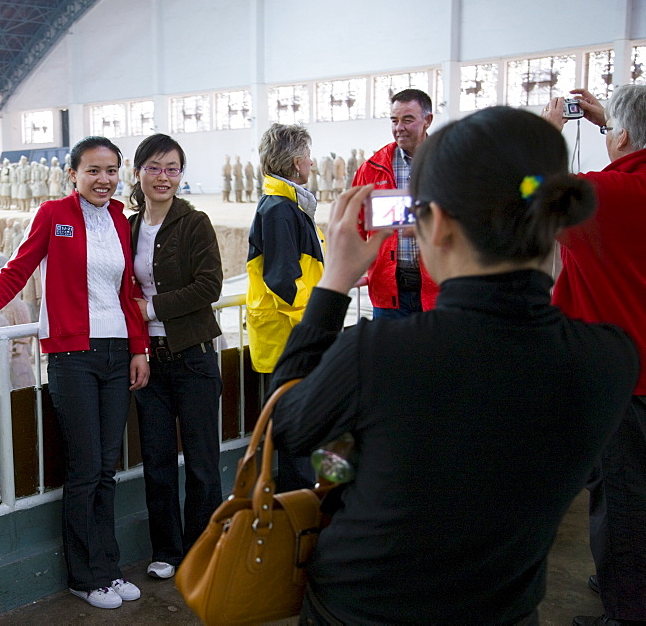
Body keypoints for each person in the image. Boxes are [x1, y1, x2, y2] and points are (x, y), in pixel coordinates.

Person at [270, 106, 639, 624]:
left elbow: (285, 426)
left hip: (364, 609)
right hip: (505, 611)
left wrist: (332, 286)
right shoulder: (609, 358)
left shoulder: (381, 352)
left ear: (436, 223)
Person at [0, 136, 149, 611]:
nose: (104, 179)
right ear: (73, 173)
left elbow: (128, 290)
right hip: (73, 355)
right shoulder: (54, 215)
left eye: (112, 170)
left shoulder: (119, 219)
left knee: (107, 469)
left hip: (118, 353)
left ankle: (108, 569)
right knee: (85, 467)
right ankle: (84, 575)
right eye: (93, 170)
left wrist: (139, 349)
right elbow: (16, 271)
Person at [541, 85, 646, 626]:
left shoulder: (605, 196)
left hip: (623, 382)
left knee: (622, 504)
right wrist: (618, 126)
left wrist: (546, 135)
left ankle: (625, 613)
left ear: (621, 135)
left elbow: (530, 193)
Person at [127, 134, 223, 580]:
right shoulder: (126, 226)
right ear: (139, 172)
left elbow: (209, 287)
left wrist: (151, 309)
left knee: (202, 462)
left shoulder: (194, 222)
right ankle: (167, 550)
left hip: (194, 358)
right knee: (158, 460)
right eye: (154, 167)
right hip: (150, 361)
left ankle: (203, 551)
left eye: (172, 168)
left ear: (180, 175)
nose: (163, 177)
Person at [246, 123, 326, 490]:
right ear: (296, 162)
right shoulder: (280, 209)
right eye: (308, 155)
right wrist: (319, 319)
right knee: (297, 427)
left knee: (303, 424)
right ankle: (298, 509)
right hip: (290, 337)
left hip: (294, 332)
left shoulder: (288, 204)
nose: (312, 162)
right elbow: (283, 281)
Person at [352, 88, 440, 318]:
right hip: (388, 294)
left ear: (427, 120)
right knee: (390, 354)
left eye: (408, 120)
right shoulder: (371, 168)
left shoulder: (450, 164)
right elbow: (356, 225)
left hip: (439, 292)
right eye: (394, 120)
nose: (399, 128)